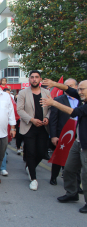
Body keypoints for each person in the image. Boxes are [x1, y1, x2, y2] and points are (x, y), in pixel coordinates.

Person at [40, 79, 87, 214]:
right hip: (77, 142)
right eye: (79, 89)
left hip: (85, 145)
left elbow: (74, 112)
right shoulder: (82, 97)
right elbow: (69, 89)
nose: (79, 92)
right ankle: (72, 193)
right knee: (69, 168)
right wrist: (55, 84)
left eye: (82, 89)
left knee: (85, 174)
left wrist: (54, 103)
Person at [17, 70, 51, 191]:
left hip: (43, 127)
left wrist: (47, 118)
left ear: (40, 79)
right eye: (32, 77)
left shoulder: (47, 92)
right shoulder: (23, 93)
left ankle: (30, 167)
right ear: (29, 79)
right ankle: (33, 179)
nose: (34, 79)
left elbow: (51, 108)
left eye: (37, 77)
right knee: (30, 153)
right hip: (29, 127)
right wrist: (31, 119)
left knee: (42, 153)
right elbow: (19, 110)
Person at [48, 78, 82, 187]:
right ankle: (54, 177)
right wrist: (53, 136)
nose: (68, 89)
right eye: (66, 86)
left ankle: (76, 185)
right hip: (63, 134)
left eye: (71, 86)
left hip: (78, 135)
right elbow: (53, 120)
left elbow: (76, 113)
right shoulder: (59, 99)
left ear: (76, 87)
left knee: (75, 162)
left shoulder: (82, 100)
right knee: (59, 157)